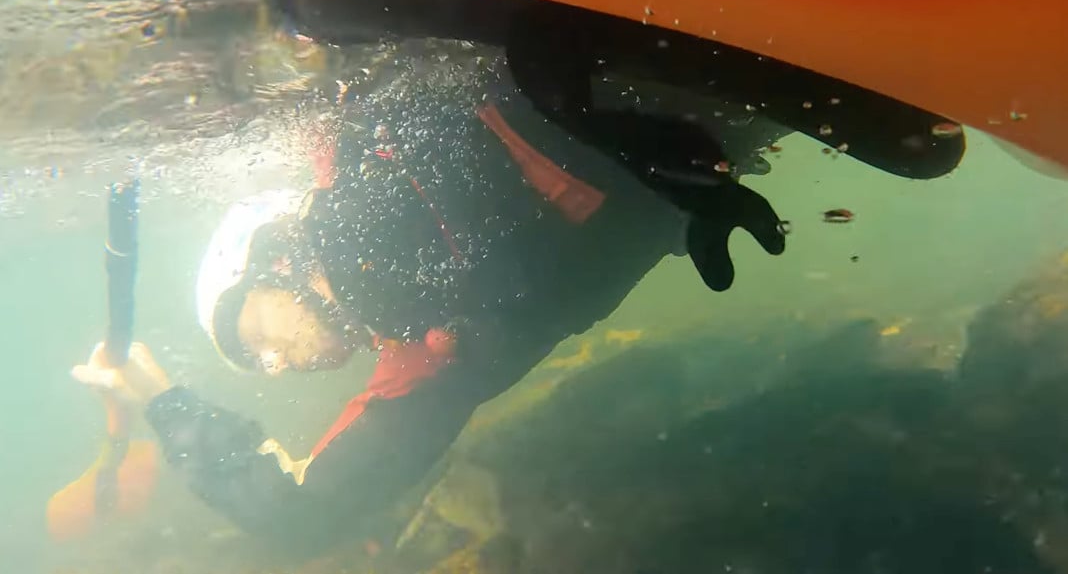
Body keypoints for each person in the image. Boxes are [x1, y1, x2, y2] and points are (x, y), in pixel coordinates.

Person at [71, 32, 795, 552]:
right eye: (259, 367)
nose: (275, 364)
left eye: (252, 338)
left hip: (615, 57)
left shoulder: (341, 181)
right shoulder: (419, 358)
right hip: (709, 117)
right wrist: (170, 406)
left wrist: (168, 407)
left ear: (270, 260)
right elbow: (300, 516)